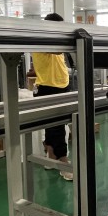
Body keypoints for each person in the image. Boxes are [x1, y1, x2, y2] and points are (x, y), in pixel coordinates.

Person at [31, 13, 73, 181]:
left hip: (61, 85)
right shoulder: (41, 39)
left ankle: (51, 156)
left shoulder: (54, 40)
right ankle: (63, 163)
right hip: (48, 87)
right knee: (57, 126)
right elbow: (58, 49)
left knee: (52, 125)